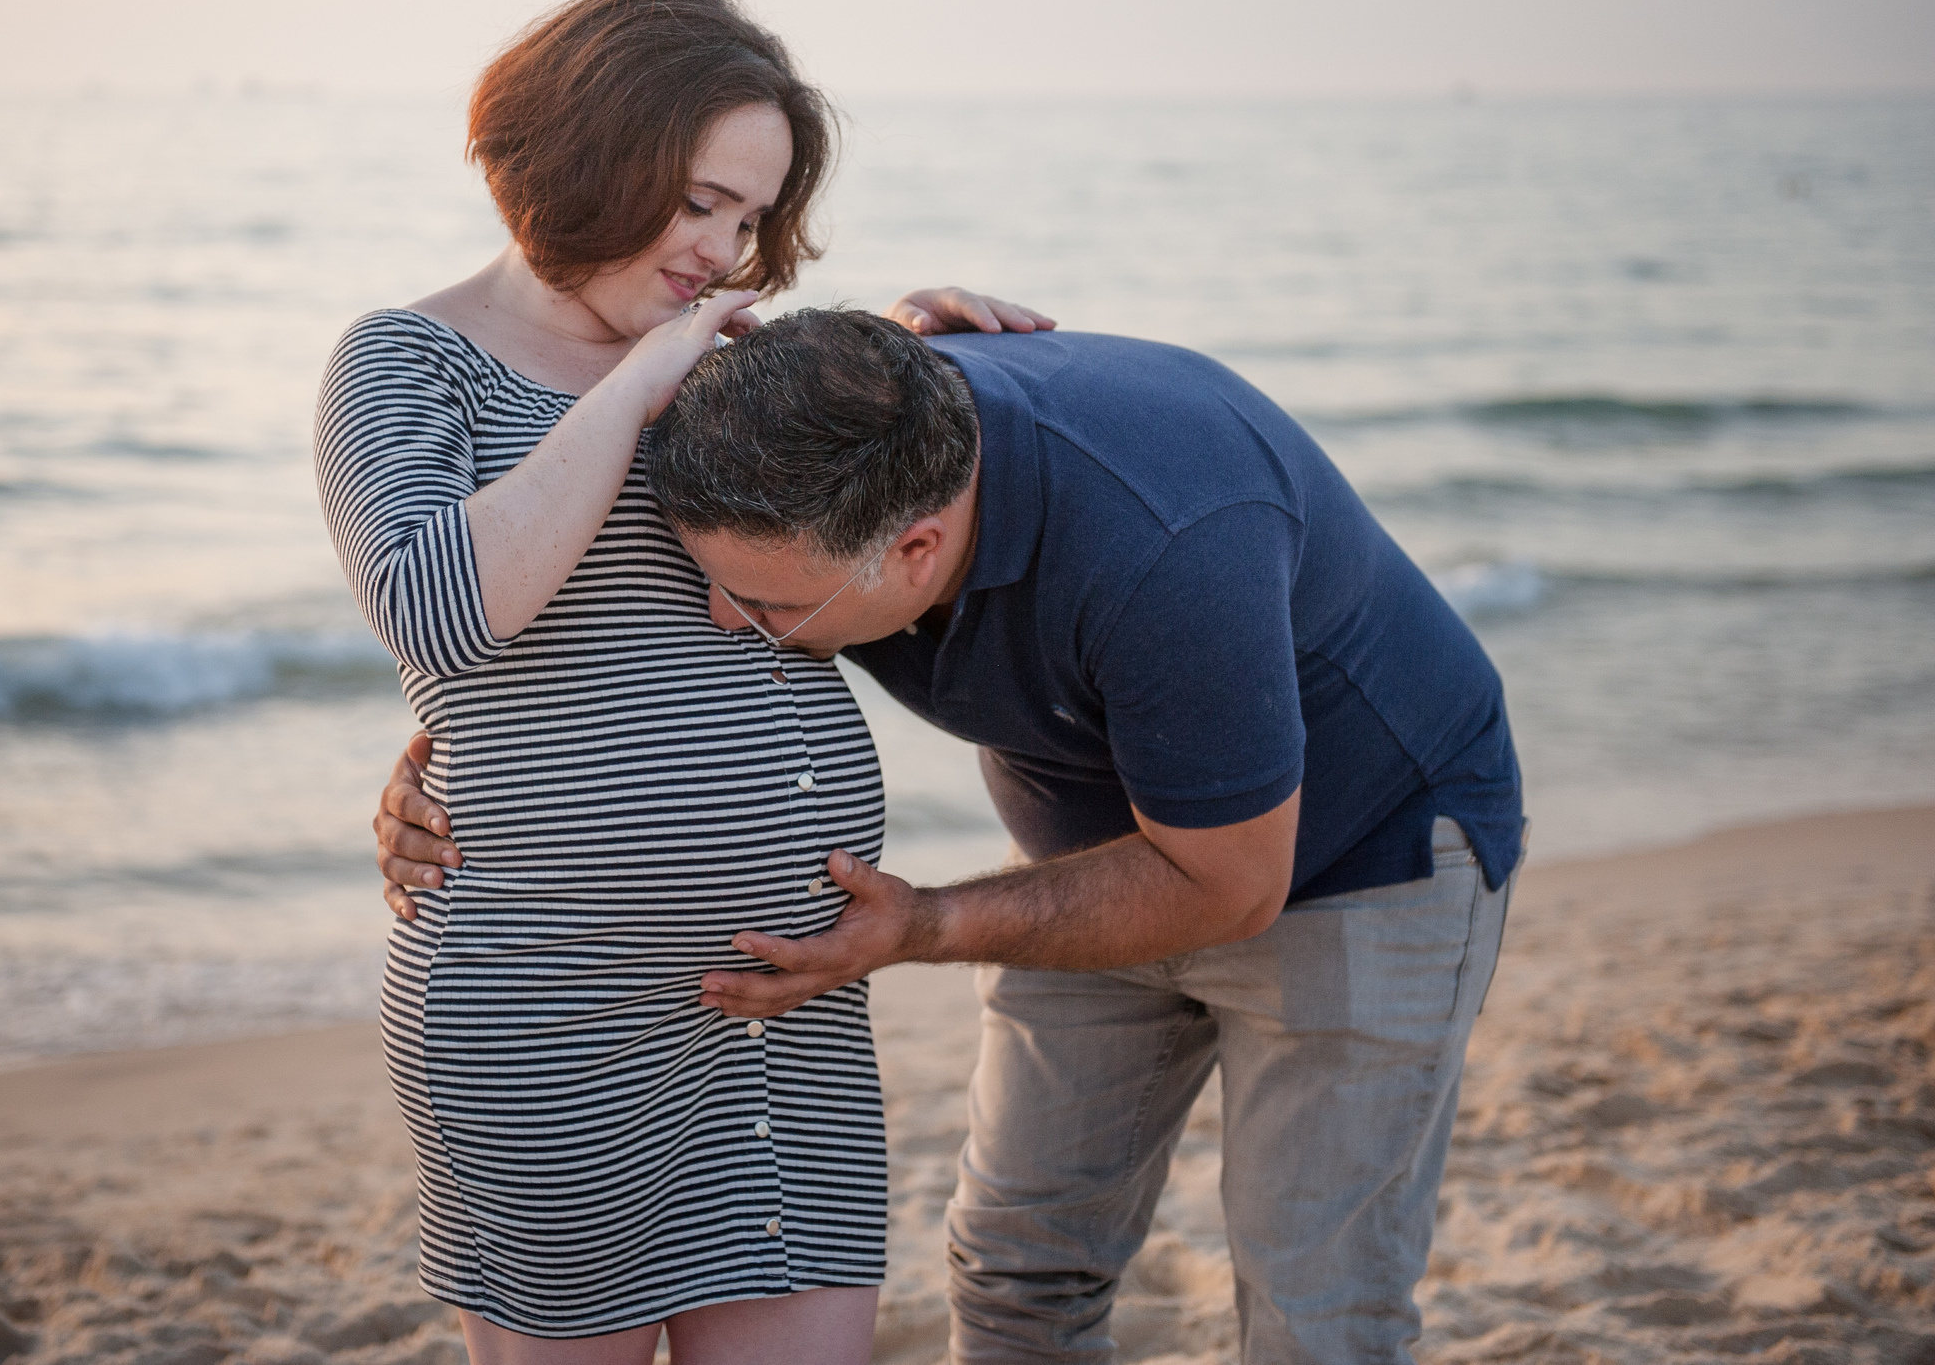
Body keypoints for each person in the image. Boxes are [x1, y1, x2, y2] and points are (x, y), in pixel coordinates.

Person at [377, 307, 1526, 1364]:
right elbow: (602, 648)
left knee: (1316, 1302)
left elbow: (1228, 884)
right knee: (1019, 1265)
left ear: (917, 551)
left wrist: (926, 923)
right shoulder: (845, 429)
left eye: (767, 609)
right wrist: (448, 778)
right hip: (1091, 857)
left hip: (1360, 857)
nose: (727, 620)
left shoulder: (1171, 541)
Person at [314, 0, 1051, 1365]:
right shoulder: (410, 360)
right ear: (589, 152)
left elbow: (874, 550)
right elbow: (440, 611)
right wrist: (636, 383)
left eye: (751, 218)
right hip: (550, 1017)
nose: (724, 250)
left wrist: (896, 370)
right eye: (700, 201)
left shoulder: (722, 362)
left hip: (786, 1008)